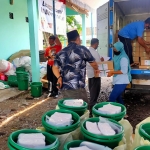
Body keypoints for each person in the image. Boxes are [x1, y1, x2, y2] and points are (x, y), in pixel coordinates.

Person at [52, 30, 99, 104]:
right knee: (82, 110)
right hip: (77, 87)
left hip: (65, 87)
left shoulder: (61, 52)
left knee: (69, 107)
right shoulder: (82, 49)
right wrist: (96, 69)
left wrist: (59, 77)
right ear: (78, 38)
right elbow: (94, 63)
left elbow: (54, 67)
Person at [86, 38, 104, 115]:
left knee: (91, 89)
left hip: (89, 74)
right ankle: (92, 109)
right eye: (98, 44)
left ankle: (92, 106)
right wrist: (101, 61)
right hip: (95, 74)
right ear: (96, 43)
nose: (98, 45)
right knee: (95, 91)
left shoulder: (87, 51)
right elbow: (96, 64)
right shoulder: (94, 52)